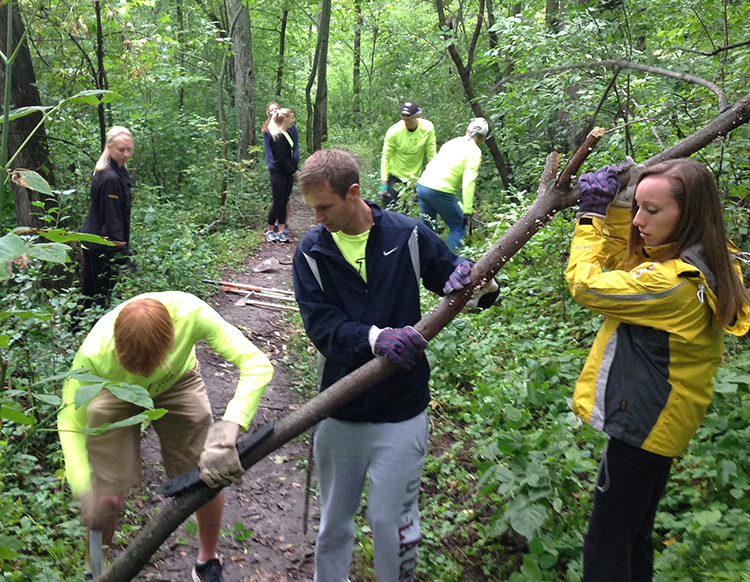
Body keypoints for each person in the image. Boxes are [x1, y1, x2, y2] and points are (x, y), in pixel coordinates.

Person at [293, 149, 495, 582]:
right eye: (312, 208)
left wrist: (477, 278)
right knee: (333, 524)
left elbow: (463, 286)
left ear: (354, 193)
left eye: (324, 207)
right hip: (340, 409)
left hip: (403, 409)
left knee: (394, 524)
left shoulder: (409, 235)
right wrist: (376, 338)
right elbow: (322, 326)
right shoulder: (311, 251)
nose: (317, 218)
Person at [566, 159, 750, 581]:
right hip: (662, 419)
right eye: (637, 207)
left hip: (643, 423)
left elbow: (588, 285)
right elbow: (627, 263)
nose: (638, 221)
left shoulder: (673, 284)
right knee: (633, 534)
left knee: (606, 541)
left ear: (687, 215)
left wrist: (590, 217)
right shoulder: (707, 257)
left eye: (652, 211)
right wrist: (616, 206)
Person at [58, 291, 274, 582]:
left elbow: (257, 365)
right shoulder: (94, 352)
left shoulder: (192, 314)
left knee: (207, 471)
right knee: (103, 495)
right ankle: (97, 571)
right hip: (113, 390)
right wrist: (82, 486)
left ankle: (206, 562)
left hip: (178, 381)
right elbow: (69, 419)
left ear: (171, 339)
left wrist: (229, 430)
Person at [78, 126, 134, 312]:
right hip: (101, 245)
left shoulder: (117, 171)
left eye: (129, 149)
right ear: (109, 148)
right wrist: (121, 254)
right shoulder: (110, 177)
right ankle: (92, 333)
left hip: (94, 240)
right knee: (102, 298)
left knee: (89, 294)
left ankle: (74, 329)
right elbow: (112, 219)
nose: (126, 154)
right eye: (121, 150)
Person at [415, 118, 488, 251]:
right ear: (483, 138)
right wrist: (467, 210)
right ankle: (450, 264)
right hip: (440, 191)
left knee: (427, 229)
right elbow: (468, 181)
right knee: (458, 226)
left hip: (422, 185)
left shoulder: (452, 142)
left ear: (467, 130)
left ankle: (423, 261)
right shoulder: (474, 152)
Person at [379, 101, 436, 207]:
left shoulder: (427, 128)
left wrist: (435, 177)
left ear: (417, 116)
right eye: (403, 120)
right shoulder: (394, 132)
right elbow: (385, 157)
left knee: (411, 212)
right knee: (391, 209)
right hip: (395, 175)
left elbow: (431, 154)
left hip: (414, 179)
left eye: (408, 120)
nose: (406, 123)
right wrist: (384, 182)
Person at [262, 102, 300, 237]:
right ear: (285, 118)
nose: (293, 120)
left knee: (284, 200)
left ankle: (282, 230)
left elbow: (292, 150)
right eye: (292, 117)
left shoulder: (288, 131)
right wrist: (294, 172)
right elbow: (279, 157)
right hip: (278, 172)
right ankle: (270, 230)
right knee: (277, 201)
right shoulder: (274, 134)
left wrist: (294, 166)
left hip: (287, 171)